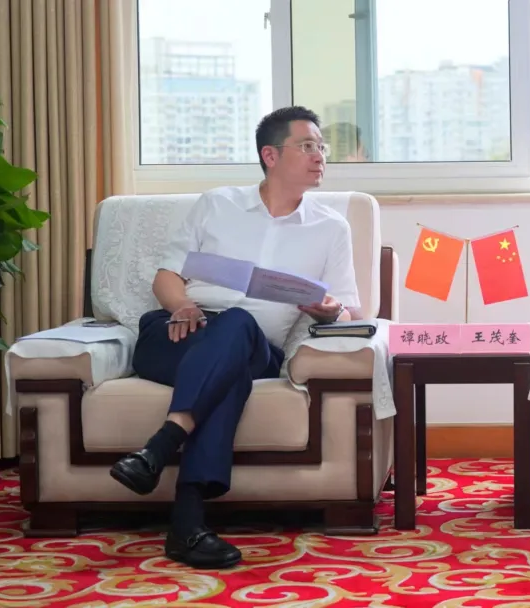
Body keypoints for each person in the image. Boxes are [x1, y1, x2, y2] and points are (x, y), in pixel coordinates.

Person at [108, 106, 361, 569]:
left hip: (257, 347)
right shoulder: (216, 204)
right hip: (182, 332)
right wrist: (182, 306)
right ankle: (186, 526)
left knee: (240, 324)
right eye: (307, 146)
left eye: (322, 147)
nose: (320, 156)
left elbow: (351, 309)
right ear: (270, 155)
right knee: (230, 373)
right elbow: (167, 276)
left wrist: (331, 311)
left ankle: (160, 447)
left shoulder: (330, 227)